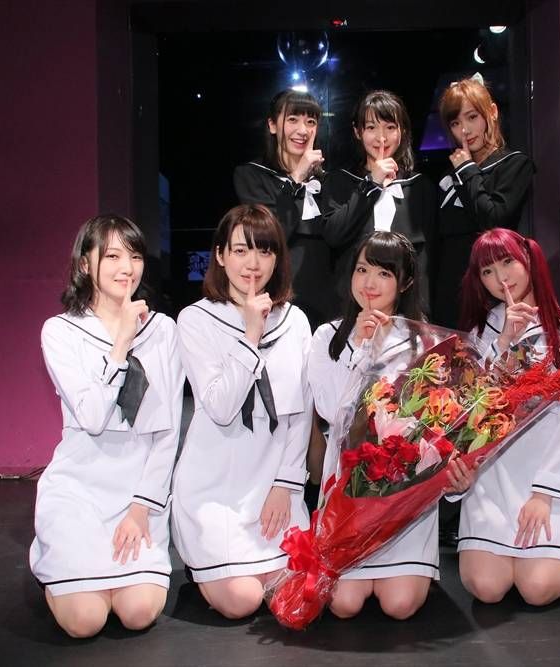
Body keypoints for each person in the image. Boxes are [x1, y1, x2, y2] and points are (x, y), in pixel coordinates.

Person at [31, 215, 184, 637]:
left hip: (138, 495)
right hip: (80, 491)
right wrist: (121, 344)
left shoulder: (163, 330)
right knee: (85, 622)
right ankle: (56, 558)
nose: (126, 268)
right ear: (86, 264)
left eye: (134, 256)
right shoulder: (60, 332)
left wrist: (141, 507)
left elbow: (168, 431)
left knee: (138, 613)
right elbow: (93, 417)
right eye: (112, 256)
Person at [307, 231, 472, 619]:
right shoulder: (328, 336)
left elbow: (440, 424)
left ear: (406, 282)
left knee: (399, 606)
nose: (369, 282)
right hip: (347, 489)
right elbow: (331, 411)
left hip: (404, 494)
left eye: (384, 273)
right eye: (362, 269)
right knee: (343, 605)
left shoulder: (426, 341)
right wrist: (365, 349)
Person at [171, 204, 312, 619]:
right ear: (219, 255)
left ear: (277, 259)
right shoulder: (195, 319)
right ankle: (205, 566)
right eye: (240, 250)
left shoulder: (295, 321)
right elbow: (220, 406)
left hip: (274, 486)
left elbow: (301, 412)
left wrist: (286, 485)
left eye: (264, 251)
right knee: (241, 602)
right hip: (216, 489)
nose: (253, 263)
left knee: (300, 598)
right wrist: (251, 335)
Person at [453, 228, 560, 605]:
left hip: (546, 476)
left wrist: (544, 494)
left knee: (539, 589)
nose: (500, 277)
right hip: (491, 479)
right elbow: (471, 409)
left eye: (507, 262)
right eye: (487, 271)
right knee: (486, 588)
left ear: (528, 259)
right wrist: (504, 342)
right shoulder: (481, 331)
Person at [431, 75, 536, 328]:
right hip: (449, 294)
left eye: (472, 117)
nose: (464, 130)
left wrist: (467, 169)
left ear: (492, 112)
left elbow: (492, 219)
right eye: (455, 123)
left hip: (493, 291)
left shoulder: (514, 164)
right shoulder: (448, 174)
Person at [321, 90, 435, 310]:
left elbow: (427, 260)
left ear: (402, 131)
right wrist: (371, 183)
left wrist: (421, 314)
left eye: (390, 127)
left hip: (405, 311)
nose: (381, 137)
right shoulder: (339, 181)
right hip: (349, 307)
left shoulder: (420, 187)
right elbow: (334, 234)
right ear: (358, 131)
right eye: (372, 127)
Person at [233, 89, 331, 326]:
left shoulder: (329, 182)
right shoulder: (251, 176)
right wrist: (296, 178)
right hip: (279, 299)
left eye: (311, 122)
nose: (303, 130)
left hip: (329, 302)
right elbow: (271, 235)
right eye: (293, 119)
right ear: (272, 125)